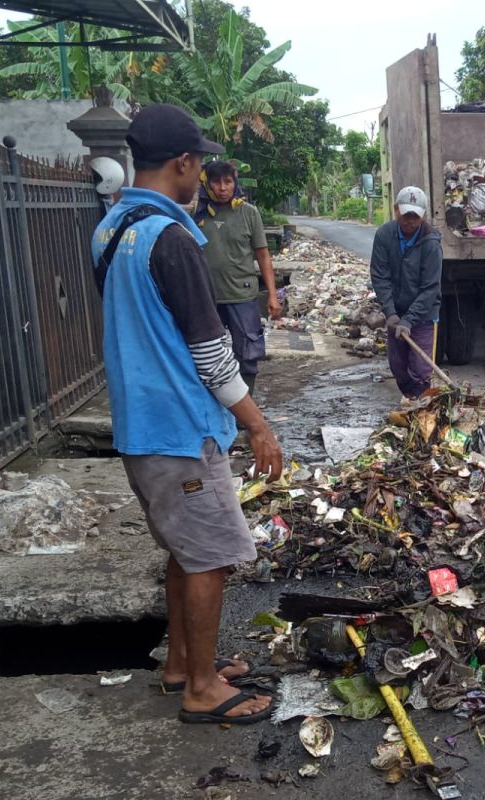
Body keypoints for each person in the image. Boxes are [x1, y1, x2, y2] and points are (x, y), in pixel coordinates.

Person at [90, 103, 281, 725]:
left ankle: (181, 664)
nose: (202, 174)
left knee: (184, 549)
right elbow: (211, 353)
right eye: (199, 163)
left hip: (138, 425)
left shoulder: (111, 229)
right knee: (211, 556)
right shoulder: (171, 239)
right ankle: (202, 688)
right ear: (182, 162)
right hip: (179, 429)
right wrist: (257, 424)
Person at [194, 159, 283, 402]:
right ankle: (213, 405)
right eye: (216, 182)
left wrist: (273, 295)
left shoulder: (248, 213)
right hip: (206, 297)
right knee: (205, 354)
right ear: (207, 184)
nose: (223, 188)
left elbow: (263, 255)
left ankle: (245, 406)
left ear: (235, 183)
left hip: (242, 295)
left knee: (248, 353)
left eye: (228, 181)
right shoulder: (197, 214)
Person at [370, 186, 444, 402]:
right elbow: (380, 276)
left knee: (420, 371)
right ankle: (412, 400)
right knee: (398, 367)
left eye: (415, 216)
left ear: (423, 215)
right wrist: (391, 313)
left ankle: (421, 407)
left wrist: (410, 320)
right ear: (396, 210)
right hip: (396, 311)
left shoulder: (431, 243)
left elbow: (430, 288)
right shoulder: (384, 235)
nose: (410, 221)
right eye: (406, 215)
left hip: (424, 314)